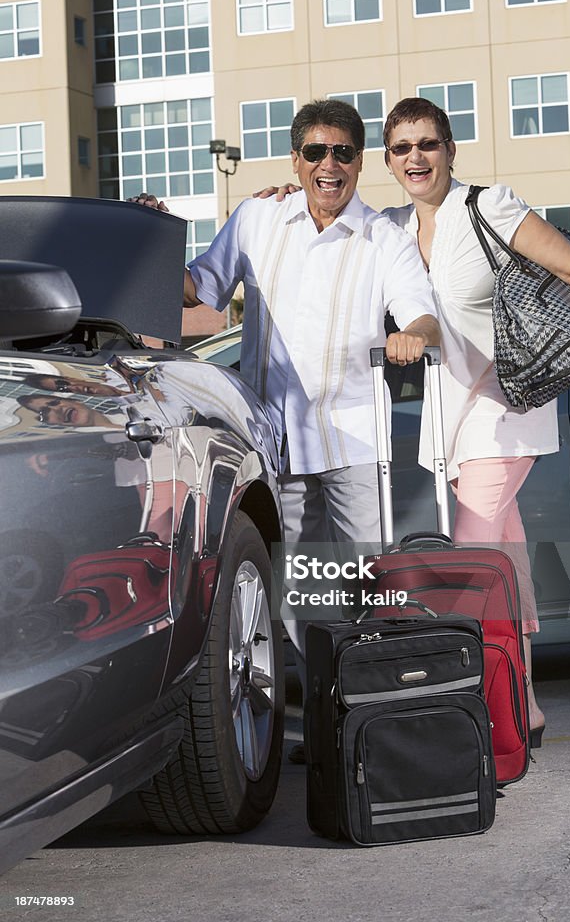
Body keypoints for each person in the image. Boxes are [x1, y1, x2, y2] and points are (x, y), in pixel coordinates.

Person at [258, 96, 570, 746]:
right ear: (387, 160)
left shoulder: (489, 208)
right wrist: (284, 199)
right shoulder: (392, 227)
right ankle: (524, 707)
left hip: (505, 407)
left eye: (427, 144)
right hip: (449, 417)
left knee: (469, 555)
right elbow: (330, 220)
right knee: (502, 560)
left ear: (449, 149)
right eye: (402, 148)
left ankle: (484, 714)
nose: (416, 157)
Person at [131, 99, 440, 759]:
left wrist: (411, 335)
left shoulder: (383, 238)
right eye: (315, 153)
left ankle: (372, 726)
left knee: (365, 582)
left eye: (343, 153)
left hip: (354, 444)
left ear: (360, 162)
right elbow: (199, 292)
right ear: (295, 160)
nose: (329, 166)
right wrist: (151, 235)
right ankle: (331, 726)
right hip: (277, 443)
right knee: (294, 594)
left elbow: (421, 314)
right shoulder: (257, 217)